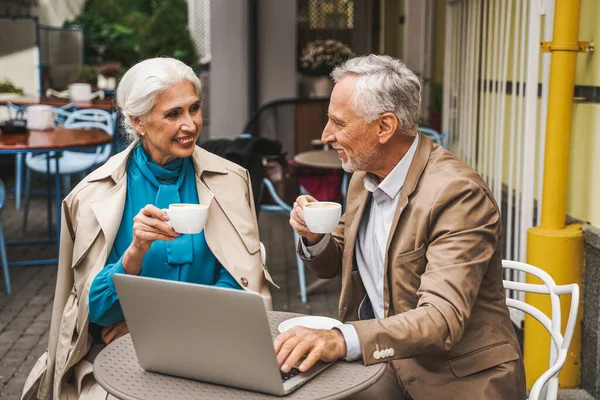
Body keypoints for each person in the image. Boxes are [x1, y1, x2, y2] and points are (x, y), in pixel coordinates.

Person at [22, 57, 274, 400]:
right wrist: (134, 252)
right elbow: (97, 311)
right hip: (124, 359)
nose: (190, 124)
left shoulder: (231, 180)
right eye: (173, 114)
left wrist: (158, 332)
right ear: (137, 121)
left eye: (194, 108)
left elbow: (238, 283)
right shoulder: (93, 195)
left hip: (213, 350)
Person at [275, 55, 526, 399]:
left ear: (384, 127)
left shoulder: (457, 194)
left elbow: (441, 320)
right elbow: (334, 263)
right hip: (389, 367)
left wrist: (340, 339)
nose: (326, 135)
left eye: (338, 123)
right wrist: (315, 236)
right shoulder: (363, 174)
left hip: (457, 380)